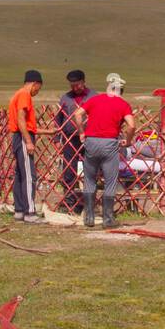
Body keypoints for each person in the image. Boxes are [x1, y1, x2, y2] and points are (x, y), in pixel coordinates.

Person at [71, 74, 135, 228]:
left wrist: (81, 132)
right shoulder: (123, 104)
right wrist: (129, 141)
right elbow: (131, 125)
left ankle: (89, 218)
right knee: (110, 181)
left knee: (89, 179)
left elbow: (77, 114)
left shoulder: (95, 99)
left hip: (91, 142)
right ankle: (107, 219)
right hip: (109, 144)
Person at [55, 69, 97, 213]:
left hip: (90, 137)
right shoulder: (65, 98)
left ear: (84, 82)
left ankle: (89, 202)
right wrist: (56, 138)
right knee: (68, 170)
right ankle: (70, 203)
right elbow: (58, 119)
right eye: (72, 85)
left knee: (90, 169)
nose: (75, 88)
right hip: (69, 139)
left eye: (77, 85)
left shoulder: (93, 96)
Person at [8, 70, 43, 223]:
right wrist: (28, 141)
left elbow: (25, 123)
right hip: (22, 138)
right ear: (35, 83)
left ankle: (19, 210)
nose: (37, 91)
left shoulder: (18, 94)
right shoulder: (24, 94)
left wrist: (47, 131)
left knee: (20, 175)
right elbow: (21, 119)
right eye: (38, 88)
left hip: (18, 136)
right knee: (29, 176)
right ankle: (30, 213)